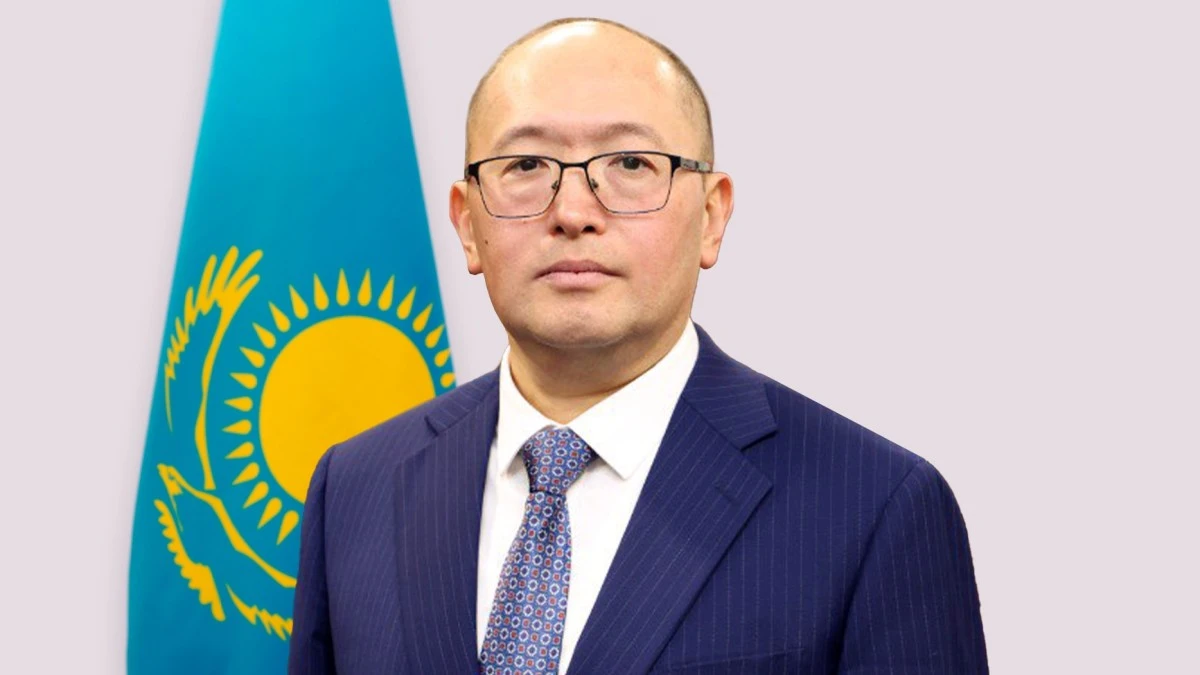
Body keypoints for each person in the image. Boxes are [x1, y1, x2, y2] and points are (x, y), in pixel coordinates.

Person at [289, 17, 988, 675]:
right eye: (526, 164)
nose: (572, 212)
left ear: (711, 216)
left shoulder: (875, 506)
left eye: (629, 161)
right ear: (467, 224)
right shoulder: (355, 487)